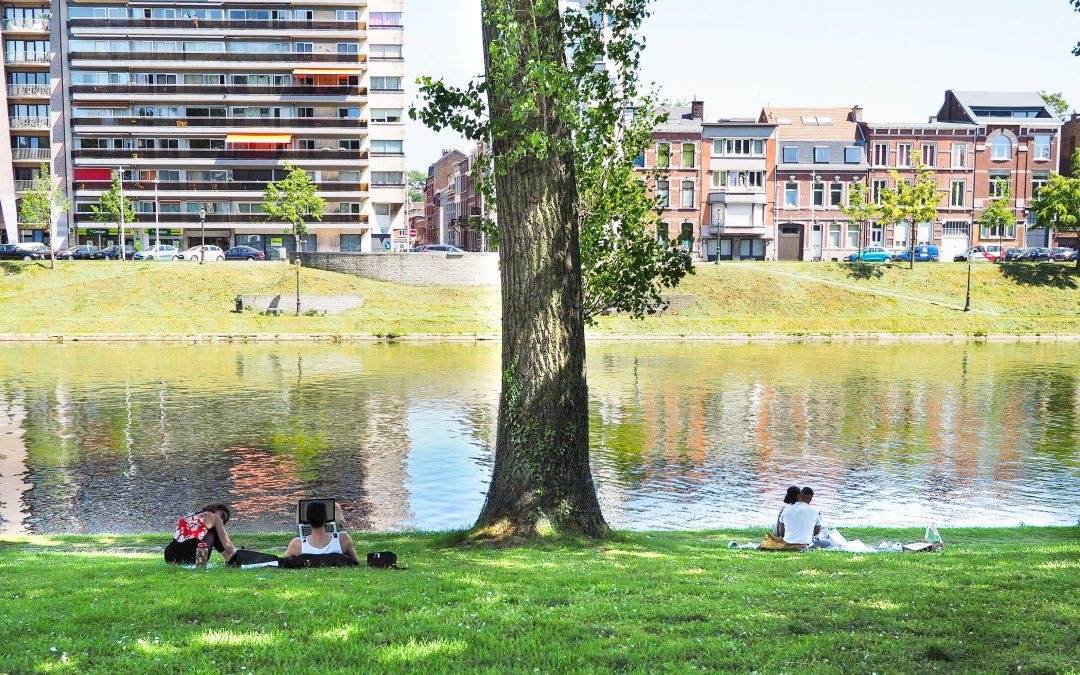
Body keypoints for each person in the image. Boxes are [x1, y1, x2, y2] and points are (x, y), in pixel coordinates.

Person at [284, 501, 358, 562]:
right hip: (334, 541)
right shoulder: (343, 538)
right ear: (326, 518)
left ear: (306, 519)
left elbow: (284, 562)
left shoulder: (296, 544)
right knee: (336, 506)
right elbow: (355, 561)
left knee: (299, 506)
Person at [164, 503, 237, 564]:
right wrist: (238, 555)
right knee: (214, 532)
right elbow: (227, 543)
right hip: (191, 557)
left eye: (224, 520)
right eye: (223, 516)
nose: (222, 519)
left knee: (213, 532)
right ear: (214, 509)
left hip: (170, 556)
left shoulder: (191, 515)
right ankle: (232, 559)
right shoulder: (214, 517)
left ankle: (229, 560)